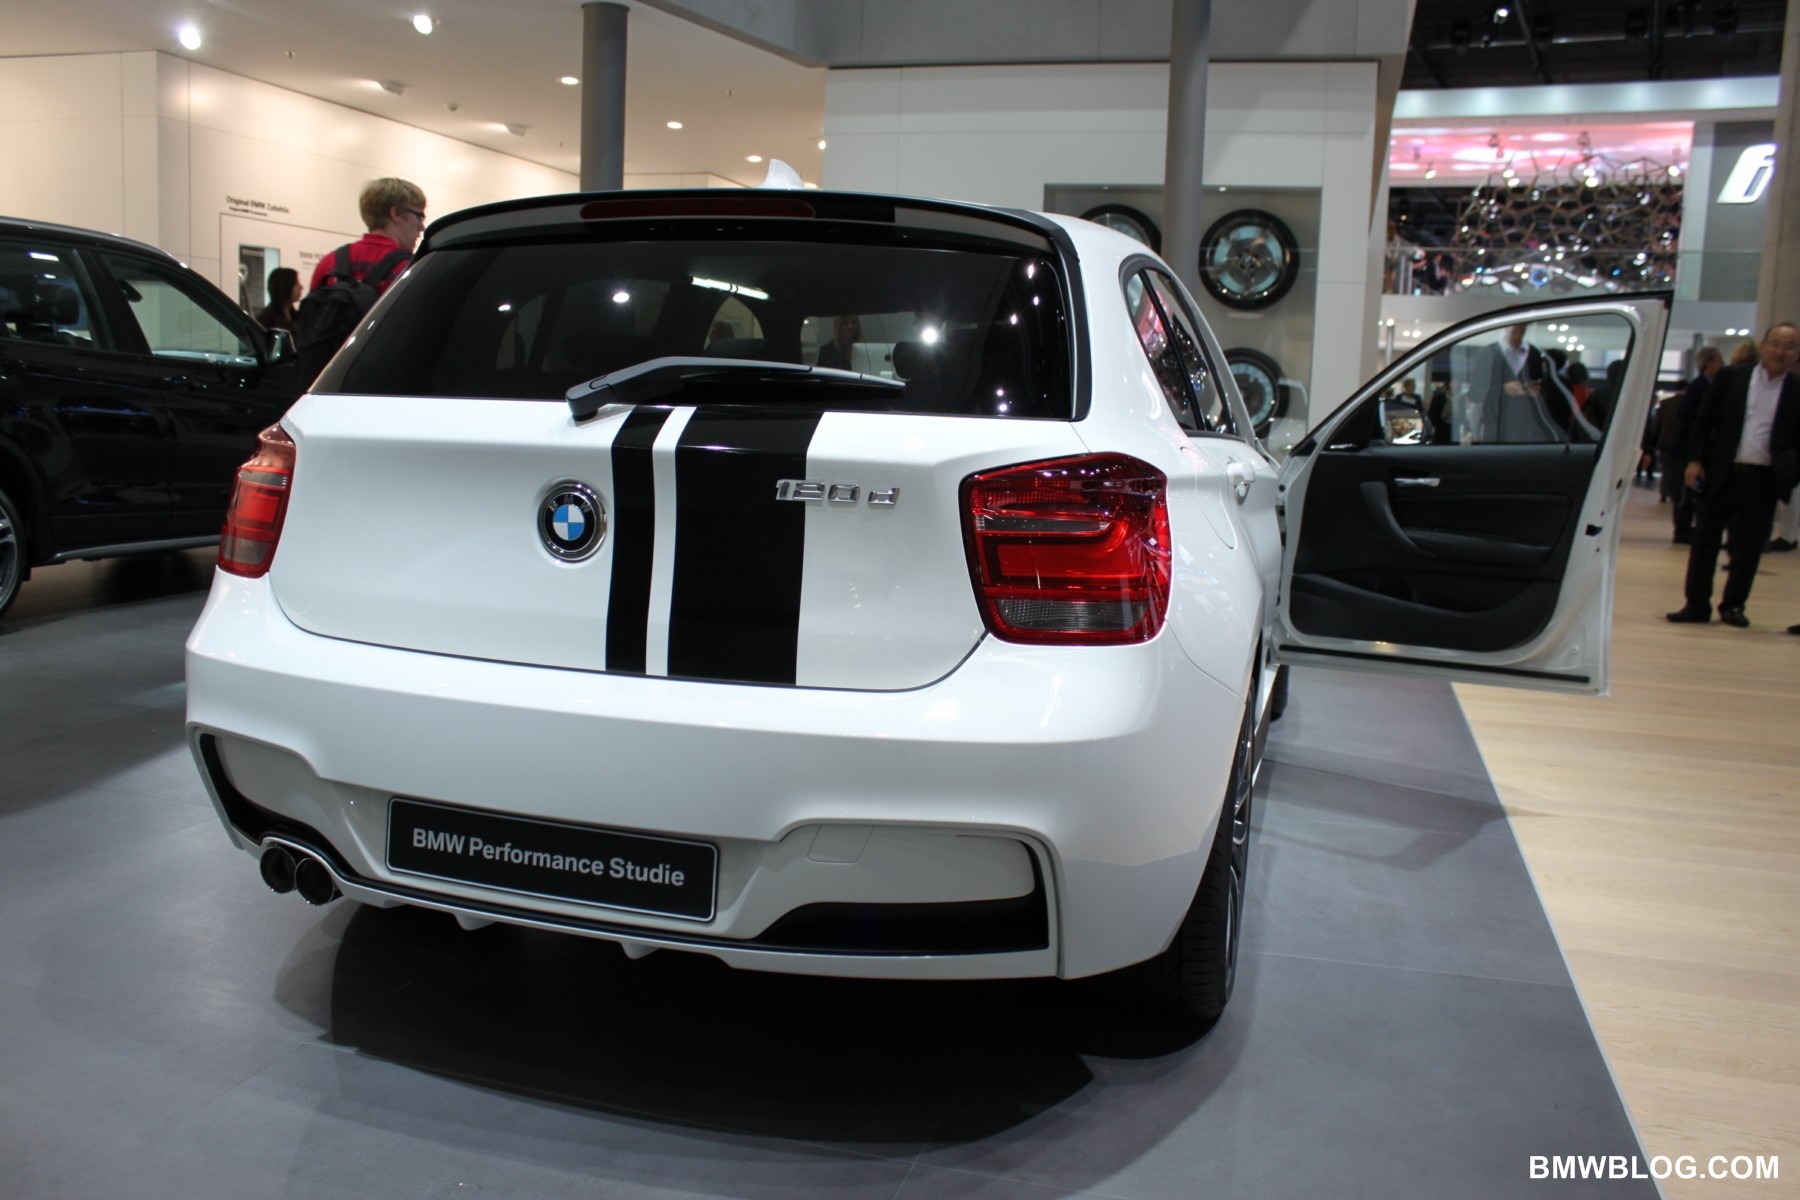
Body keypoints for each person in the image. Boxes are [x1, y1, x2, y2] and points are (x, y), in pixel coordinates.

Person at [1667, 323, 1800, 627]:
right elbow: (1704, 419)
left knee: (1748, 548)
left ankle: (1734, 605)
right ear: (1763, 346)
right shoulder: (1732, 377)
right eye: (1776, 343)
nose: (1781, 351)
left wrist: (1790, 472)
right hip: (1722, 473)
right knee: (1705, 540)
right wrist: (1695, 460)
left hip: (1764, 479)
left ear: (1797, 353)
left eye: (1789, 346)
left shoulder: (1796, 389)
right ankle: (1696, 604)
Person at [308, 177, 427, 297]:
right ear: (395, 213)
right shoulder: (409, 269)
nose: (422, 227)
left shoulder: (328, 263)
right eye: (419, 217)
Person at [1662, 347, 1722, 543]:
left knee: (1692, 489)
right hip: (1687, 447)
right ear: (1709, 363)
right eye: (1719, 361)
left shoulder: (1709, 385)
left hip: (1695, 446)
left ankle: (1687, 527)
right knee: (1684, 490)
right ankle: (1682, 529)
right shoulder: (1699, 386)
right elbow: (1687, 414)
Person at [254, 267, 301, 333]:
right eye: (296, 284)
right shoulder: (266, 318)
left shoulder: (296, 316)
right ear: (284, 286)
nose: (301, 287)